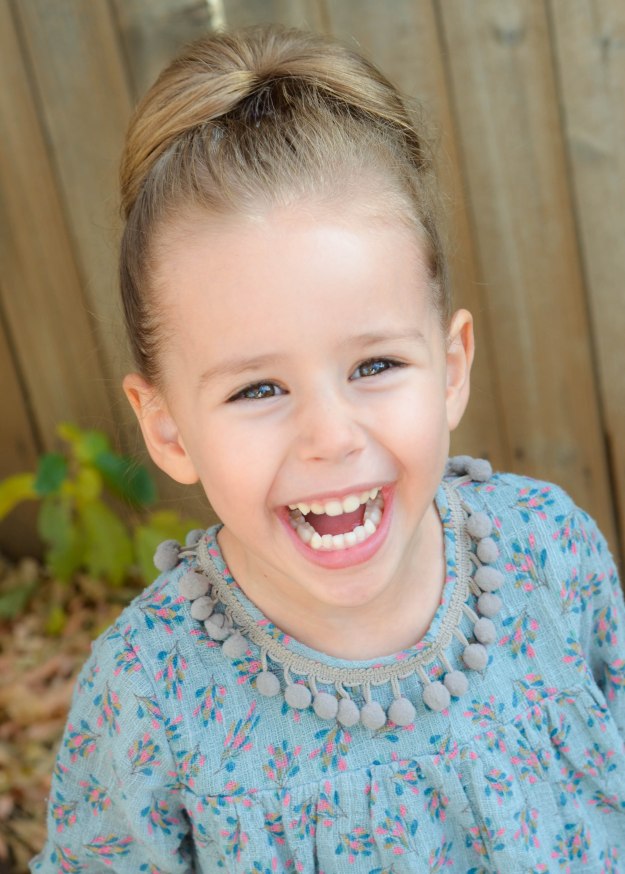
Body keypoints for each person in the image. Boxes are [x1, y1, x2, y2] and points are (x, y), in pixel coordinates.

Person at [32, 25, 625, 873]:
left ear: (451, 368)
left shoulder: (549, 552)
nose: (331, 437)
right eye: (257, 389)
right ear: (166, 427)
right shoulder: (150, 694)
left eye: (374, 366)